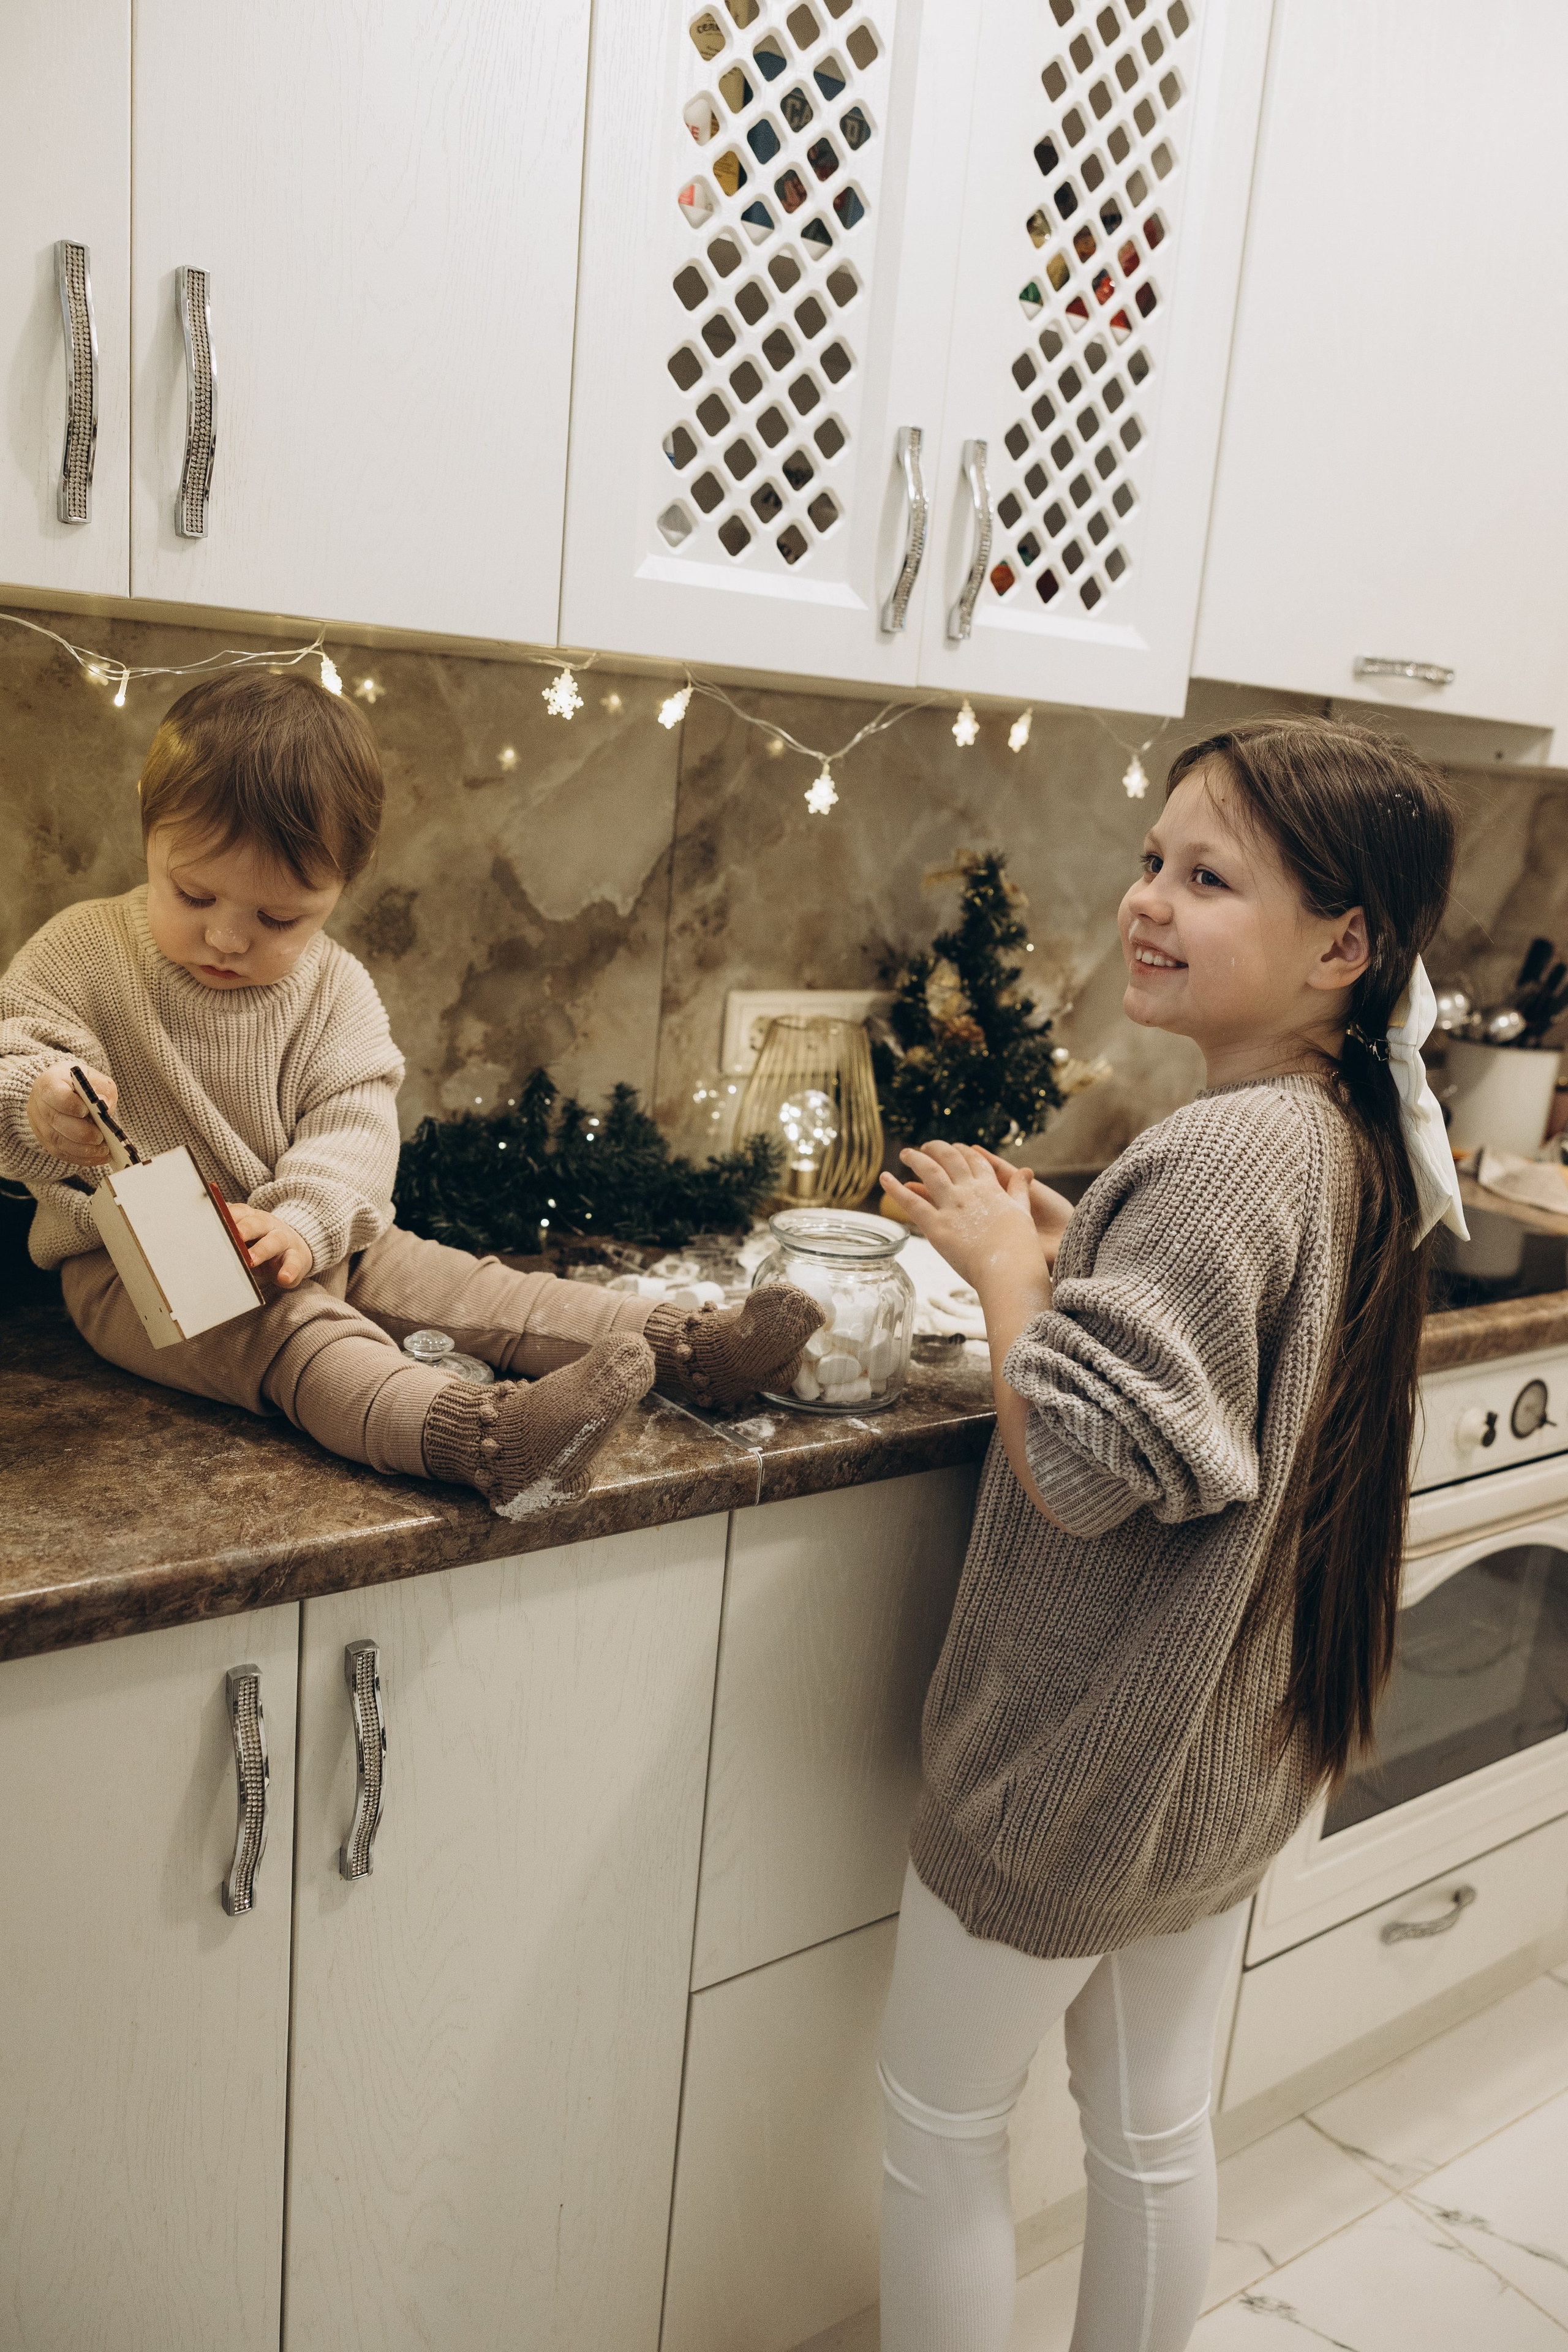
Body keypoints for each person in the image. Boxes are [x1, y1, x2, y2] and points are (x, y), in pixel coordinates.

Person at [875, 717, 1464, 2352]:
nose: (1149, 900)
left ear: (1341, 947)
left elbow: (1076, 1469)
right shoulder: (1333, 1136)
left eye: (1207, 879)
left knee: (941, 2131)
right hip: (1227, 1765)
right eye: (1153, 861)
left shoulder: (1217, 1151)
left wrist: (1005, 1262)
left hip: (1078, 1774)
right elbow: (1216, 1409)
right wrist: (1079, 1261)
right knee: (1152, 2135)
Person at [0, 671, 819, 1514]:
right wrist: (38, 1105)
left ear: (346, 882)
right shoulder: (81, 954)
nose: (226, 935)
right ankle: (488, 1439)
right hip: (143, 1274)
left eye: (281, 919)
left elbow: (354, 1128)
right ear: (149, 825)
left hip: (322, 1239)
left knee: (482, 1291)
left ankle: (694, 1350)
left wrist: (304, 1224)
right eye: (194, 894)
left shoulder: (338, 990)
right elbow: (12, 1062)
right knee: (298, 1341)